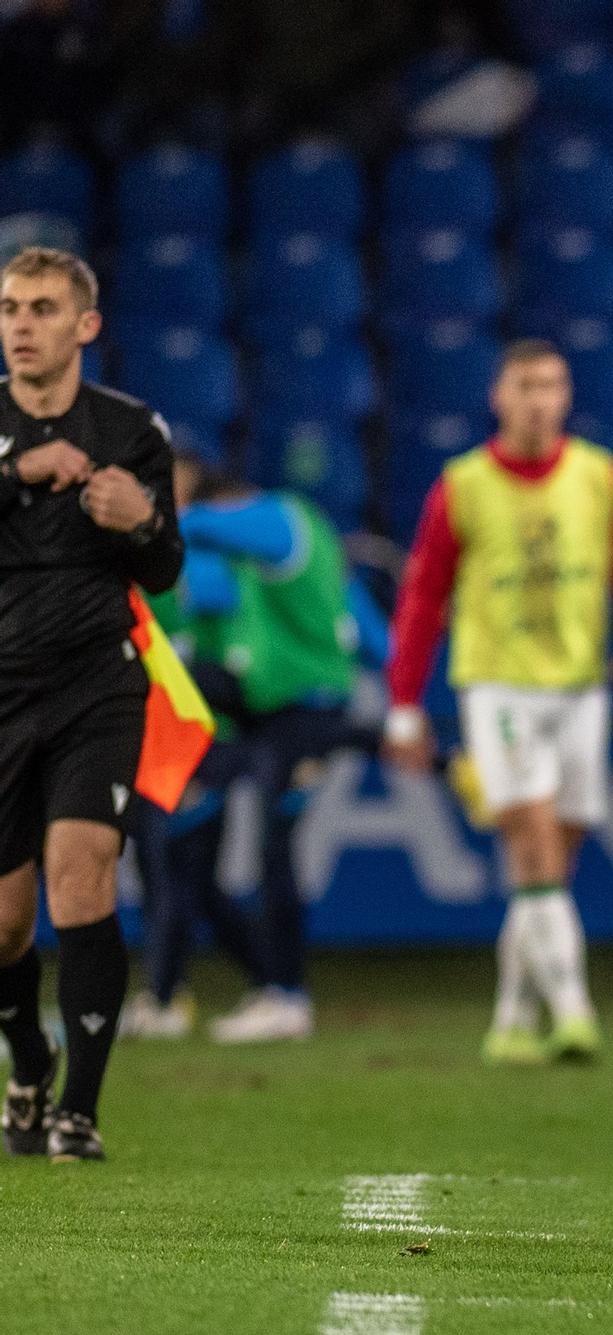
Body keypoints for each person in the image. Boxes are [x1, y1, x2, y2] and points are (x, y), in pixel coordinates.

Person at [381, 338, 613, 1066]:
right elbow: (422, 597)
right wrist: (404, 703)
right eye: (525, 385)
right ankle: (574, 1009)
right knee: (535, 837)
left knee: (548, 863)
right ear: (498, 396)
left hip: (578, 688)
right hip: (498, 684)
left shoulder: (601, 477)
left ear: (567, 397)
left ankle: (511, 1017)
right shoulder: (464, 484)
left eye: (551, 385)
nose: (539, 399)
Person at [0, 247, 185, 1161]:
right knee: (2, 924)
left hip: (95, 685)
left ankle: (80, 1108)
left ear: (85, 326)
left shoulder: (131, 430)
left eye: (40, 308)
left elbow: (168, 568)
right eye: (9, 308)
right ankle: (28, 1056)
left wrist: (141, 520)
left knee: (82, 875)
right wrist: (17, 474)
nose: (21, 325)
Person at [121, 445, 386, 1043]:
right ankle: (249, 988)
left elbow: (202, 546)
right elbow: (370, 632)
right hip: (272, 718)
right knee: (216, 859)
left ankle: (274, 993)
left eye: (174, 492)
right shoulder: (263, 567)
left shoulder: (277, 520)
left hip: (292, 717)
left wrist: (135, 522)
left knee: (247, 855)